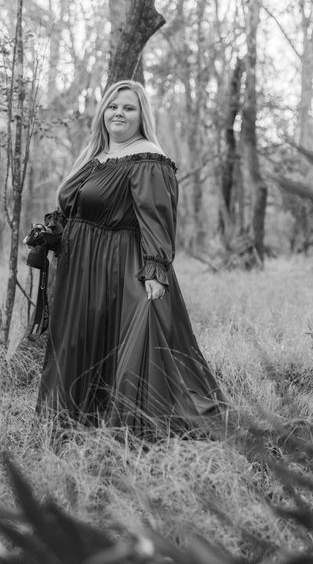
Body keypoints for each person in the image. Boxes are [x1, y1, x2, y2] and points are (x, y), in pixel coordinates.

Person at [36, 79, 228, 437]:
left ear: (142, 116)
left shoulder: (147, 158)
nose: (118, 113)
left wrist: (155, 269)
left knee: (134, 346)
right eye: (112, 106)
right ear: (102, 112)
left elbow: (156, 218)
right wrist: (53, 234)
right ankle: (76, 426)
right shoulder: (94, 157)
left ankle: (136, 432)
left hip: (121, 267)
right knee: (79, 343)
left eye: (128, 108)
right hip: (81, 270)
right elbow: (76, 209)